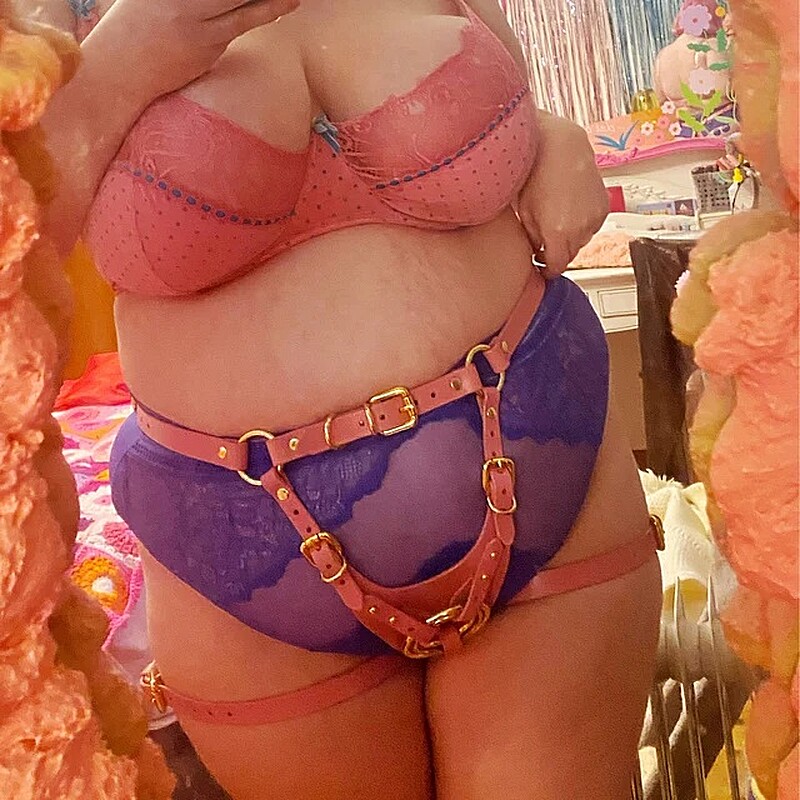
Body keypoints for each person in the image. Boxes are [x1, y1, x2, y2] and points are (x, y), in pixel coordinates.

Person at [32, 0, 662, 797]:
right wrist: (117, 68)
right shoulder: (50, 29)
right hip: (242, 542)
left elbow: (504, 108)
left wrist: (552, 136)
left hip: (540, 448)